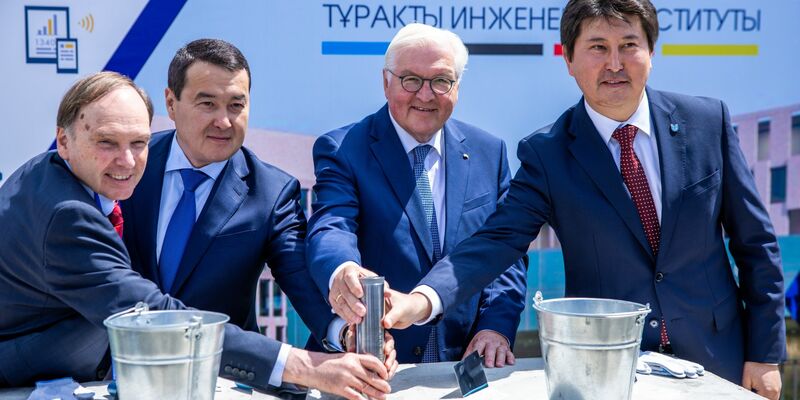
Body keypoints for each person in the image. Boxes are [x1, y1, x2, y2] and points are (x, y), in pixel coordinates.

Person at [382, 1, 786, 398]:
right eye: (597, 47)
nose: (615, 63)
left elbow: (756, 244)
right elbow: (496, 242)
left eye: (629, 45)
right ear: (569, 61)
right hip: (607, 372)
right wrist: (422, 301)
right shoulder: (548, 154)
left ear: (650, 51)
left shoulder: (706, 122)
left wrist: (766, 356)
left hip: (719, 362)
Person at [0, 72, 395, 400]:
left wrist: (345, 331)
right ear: (65, 141)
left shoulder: (63, 174)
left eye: (138, 142)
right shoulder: (69, 213)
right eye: (107, 143)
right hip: (31, 374)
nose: (127, 160)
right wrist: (308, 367)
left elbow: (297, 274)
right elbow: (154, 318)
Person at [306, 23, 527, 366]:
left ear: (457, 87)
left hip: (464, 362)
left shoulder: (489, 152)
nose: (425, 95)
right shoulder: (344, 149)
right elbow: (331, 226)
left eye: (440, 81)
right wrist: (343, 271)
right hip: (377, 358)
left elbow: (504, 254)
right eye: (411, 79)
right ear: (386, 82)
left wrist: (495, 328)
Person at [122, 38, 347, 355]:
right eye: (207, 104)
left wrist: (344, 332)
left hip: (221, 369)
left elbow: (299, 276)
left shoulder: (270, 192)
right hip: (117, 364)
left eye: (236, 106)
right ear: (171, 104)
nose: (224, 121)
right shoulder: (128, 164)